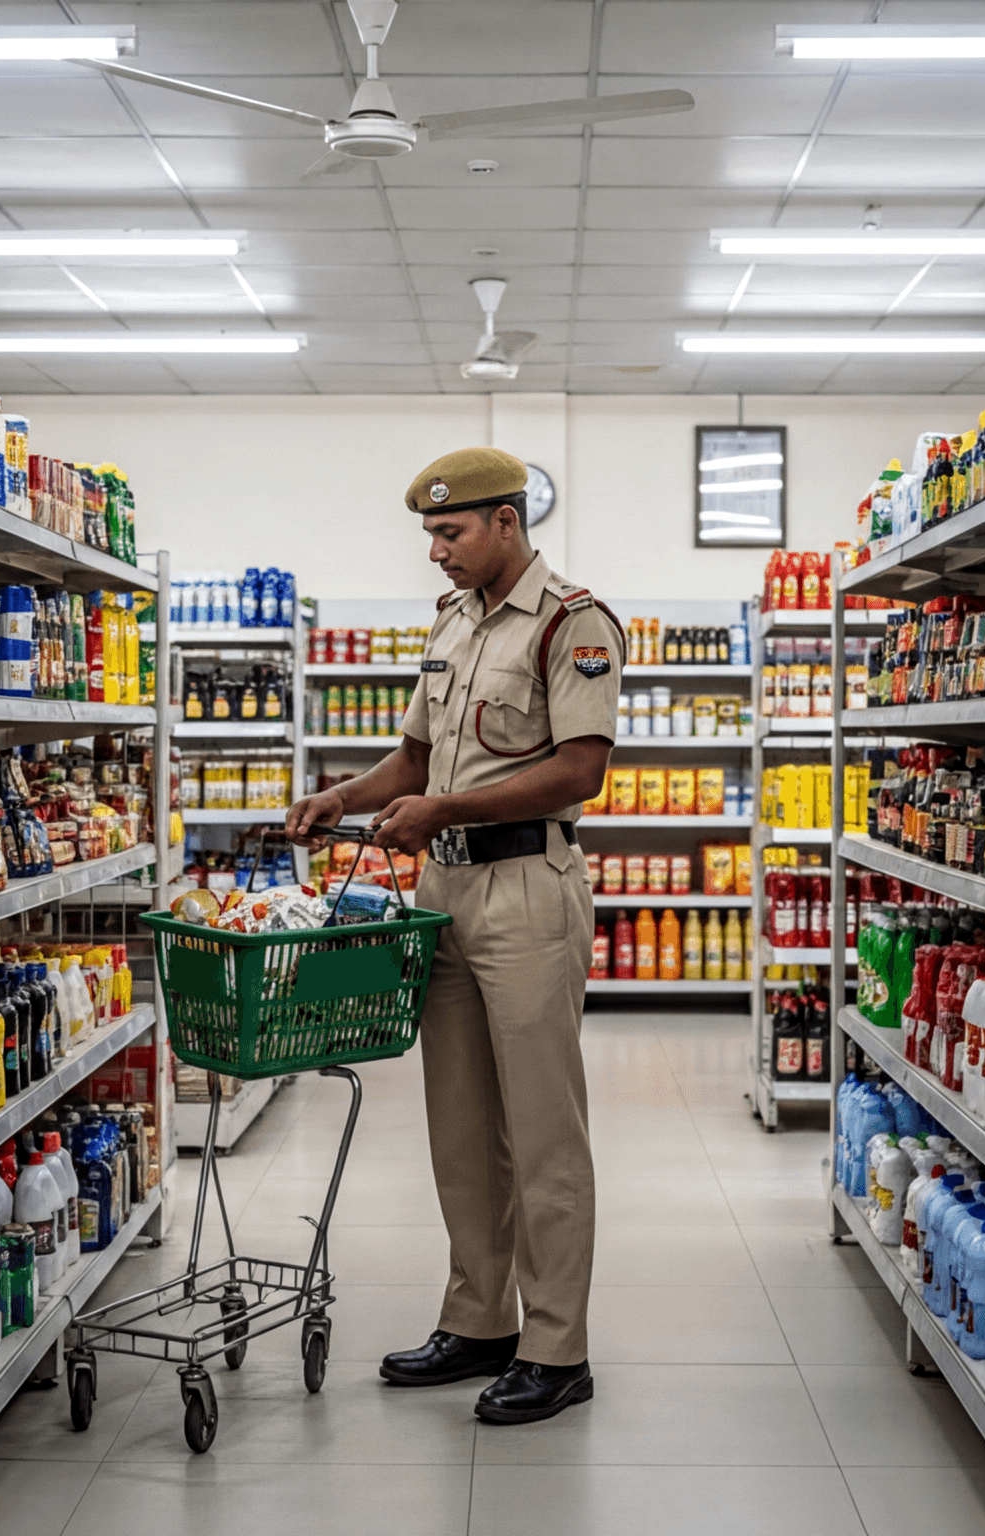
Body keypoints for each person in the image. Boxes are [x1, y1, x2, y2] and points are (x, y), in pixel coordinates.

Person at [283, 445, 622, 1425]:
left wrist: (444, 809)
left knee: (543, 1132)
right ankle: (479, 1320)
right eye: (430, 534)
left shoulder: (571, 622)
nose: (435, 550)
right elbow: (413, 759)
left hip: (527, 889)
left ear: (506, 522)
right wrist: (342, 796)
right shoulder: (452, 621)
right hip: (445, 890)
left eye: (449, 531)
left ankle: (556, 1348)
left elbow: (580, 771)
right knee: (461, 1124)